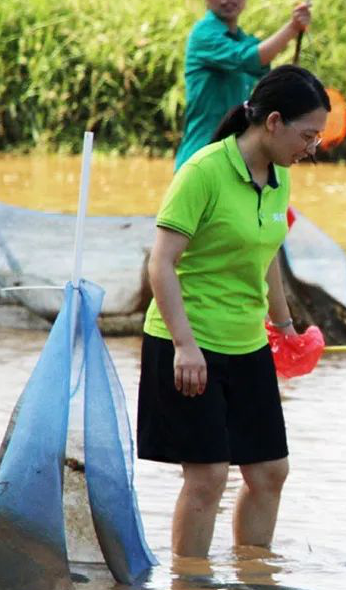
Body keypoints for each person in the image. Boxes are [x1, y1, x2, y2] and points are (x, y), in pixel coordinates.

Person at [138, 65, 330, 558]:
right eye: (307, 135)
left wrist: (286, 329)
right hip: (188, 344)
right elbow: (160, 263)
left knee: (269, 472)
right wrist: (185, 345)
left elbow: (266, 258)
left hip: (247, 343)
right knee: (208, 477)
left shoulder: (280, 176)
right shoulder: (203, 171)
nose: (312, 147)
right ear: (272, 123)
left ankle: (253, 580)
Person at [174, 0, 312, 170]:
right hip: (201, 157)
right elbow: (249, 59)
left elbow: (263, 69)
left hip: (234, 159)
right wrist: (292, 27)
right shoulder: (203, 35)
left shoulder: (244, 40)